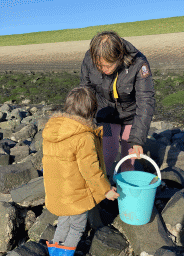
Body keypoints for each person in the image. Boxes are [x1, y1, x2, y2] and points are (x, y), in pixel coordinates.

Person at [42, 87, 119, 256]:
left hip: (56, 193)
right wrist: (106, 190)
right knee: (77, 227)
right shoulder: (84, 137)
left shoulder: (51, 131)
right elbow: (91, 171)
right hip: (76, 195)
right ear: (91, 111)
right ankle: (64, 254)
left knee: (63, 222)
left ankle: (54, 252)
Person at [80, 31, 155, 183]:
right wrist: (84, 124)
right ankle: (103, 187)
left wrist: (138, 140)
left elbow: (145, 100)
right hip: (106, 113)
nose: (103, 69)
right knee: (108, 153)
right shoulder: (89, 59)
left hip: (131, 116)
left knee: (129, 156)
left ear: (119, 56)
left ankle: (126, 188)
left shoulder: (139, 63)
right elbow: (86, 92)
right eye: (99, 65)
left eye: (108, 65)